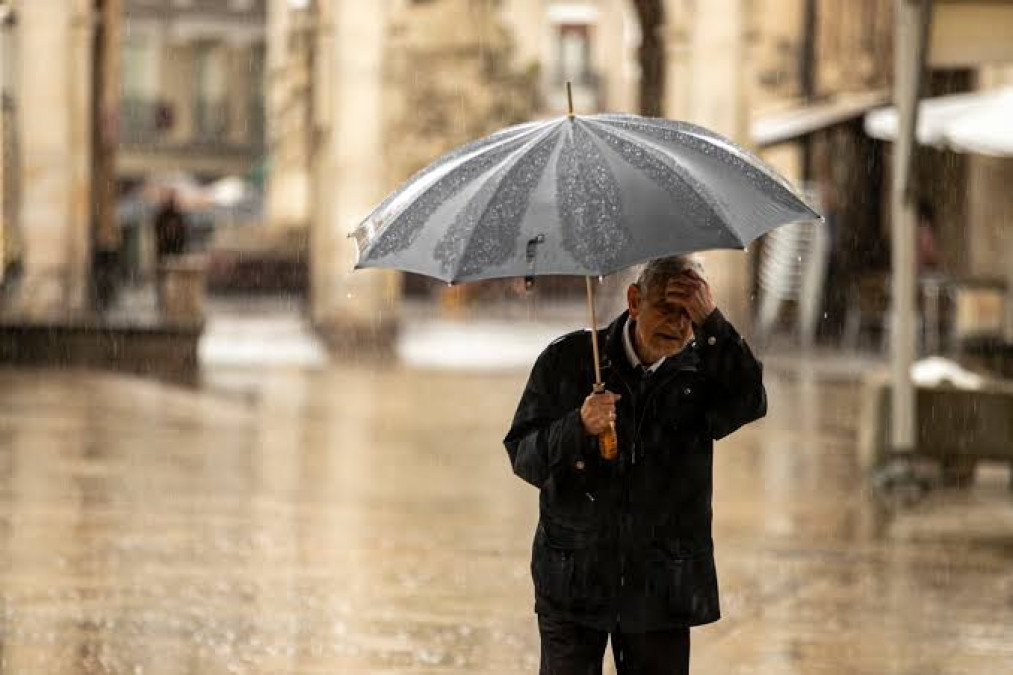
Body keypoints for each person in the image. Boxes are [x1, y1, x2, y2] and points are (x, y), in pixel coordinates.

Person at [504, 255, 767, 675]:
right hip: (574, 578)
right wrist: (578, 427)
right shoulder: (568, 360)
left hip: (662, 583)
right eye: (667, 309)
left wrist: (713, 324)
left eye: (690, 315)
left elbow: (751, 401)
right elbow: (524, 457)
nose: (679, 326)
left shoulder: (703, 372)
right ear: (634, 301)